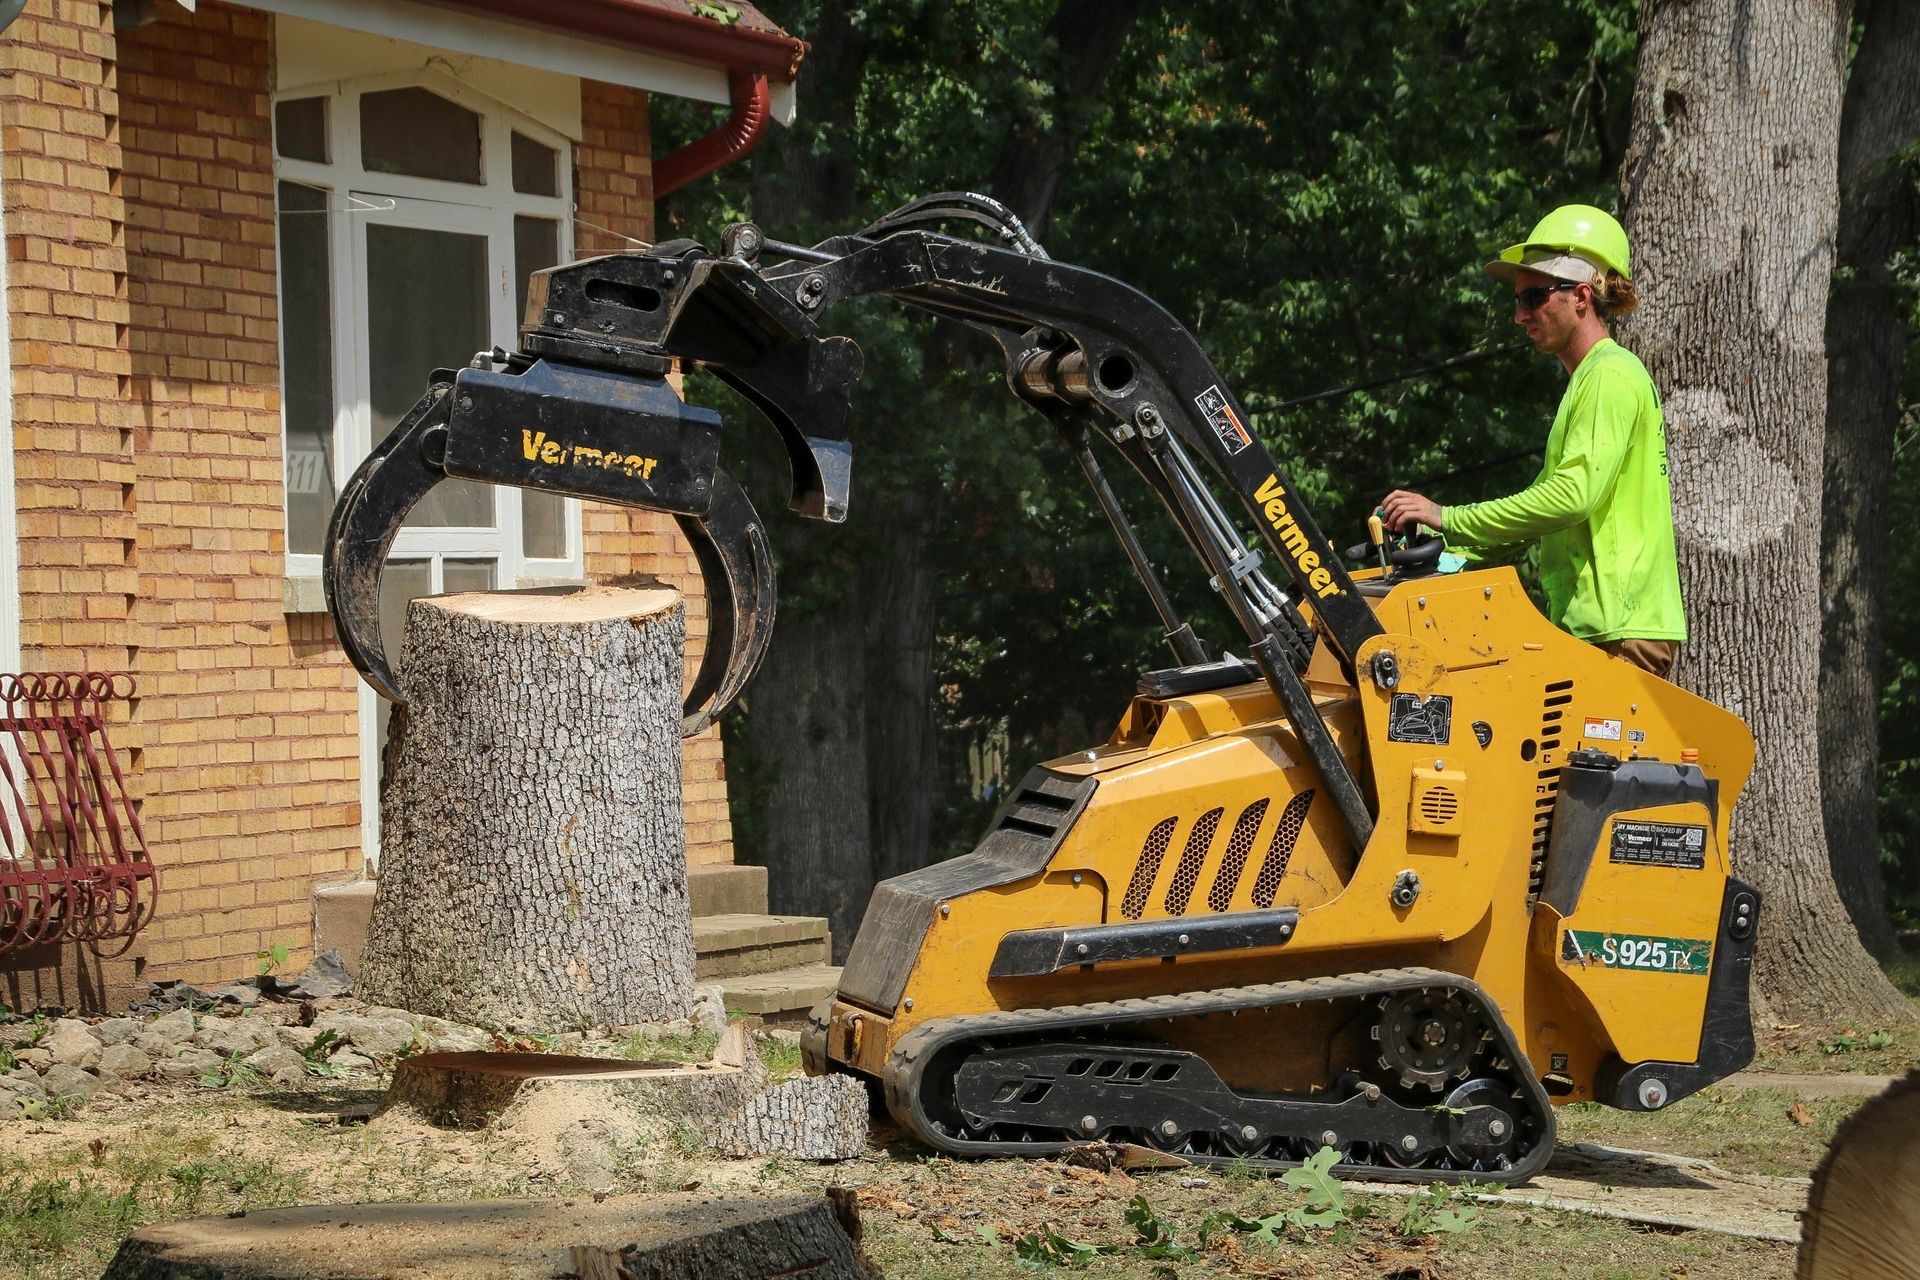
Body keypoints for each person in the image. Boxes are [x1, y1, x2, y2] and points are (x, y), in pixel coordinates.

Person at [1378, 204, 1685, 678]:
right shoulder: (1589, 382)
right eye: (1518, 300)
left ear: (1582, 296)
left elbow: (1570, 499)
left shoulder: (1609, 375)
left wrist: (1446, 516)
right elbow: (1536, 515)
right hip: (1602, 630)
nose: (1520, 315)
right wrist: (1442, 545)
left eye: (1534, 297)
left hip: (1618, 634)